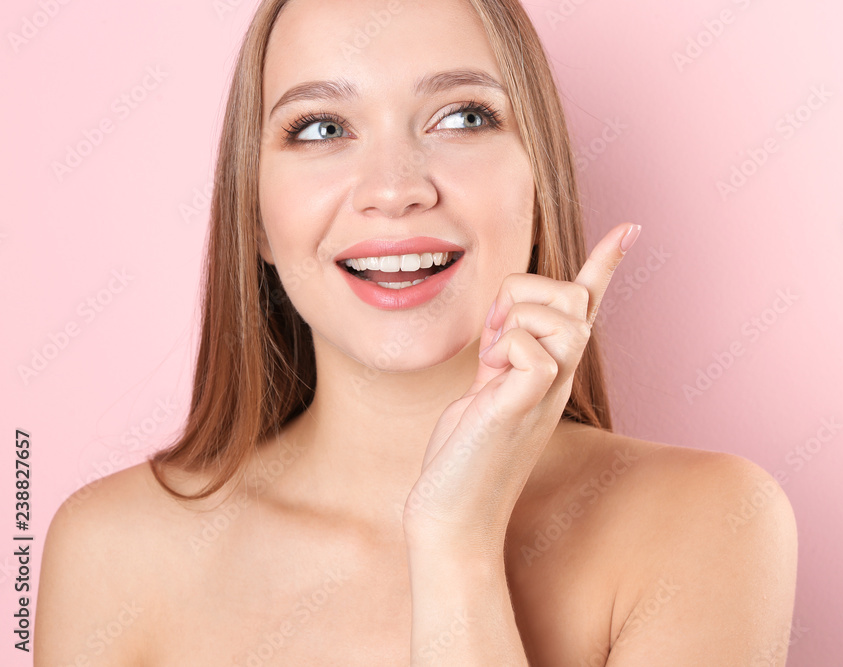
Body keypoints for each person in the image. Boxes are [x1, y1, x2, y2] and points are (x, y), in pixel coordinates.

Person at [35, 0, 798, 664]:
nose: (395, 189)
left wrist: (454, 542)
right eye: (321, 127)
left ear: (541, 178)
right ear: (257, 217)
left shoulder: (709, 524)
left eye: (464, 117)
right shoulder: (110, 552)